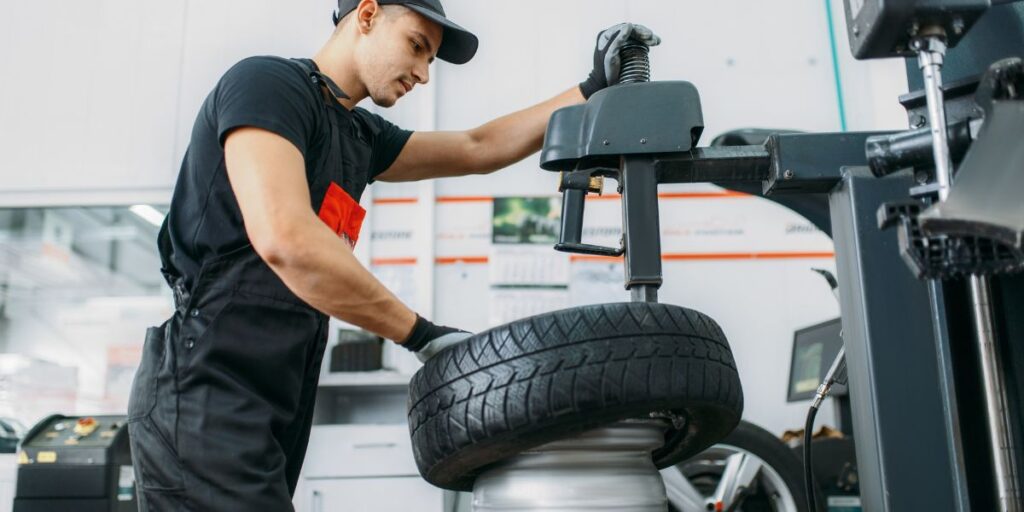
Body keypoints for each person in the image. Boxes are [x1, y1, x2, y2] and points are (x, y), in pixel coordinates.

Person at [126, 0, 659, 509]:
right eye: (416, 45)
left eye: (429, 58)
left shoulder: (359, 133)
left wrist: (592, 89)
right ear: (366, 14)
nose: (423, 73)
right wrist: (421, 334)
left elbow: (478, 147)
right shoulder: (267, 85)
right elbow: (285, 239)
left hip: (274, 394)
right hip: (203, 389)